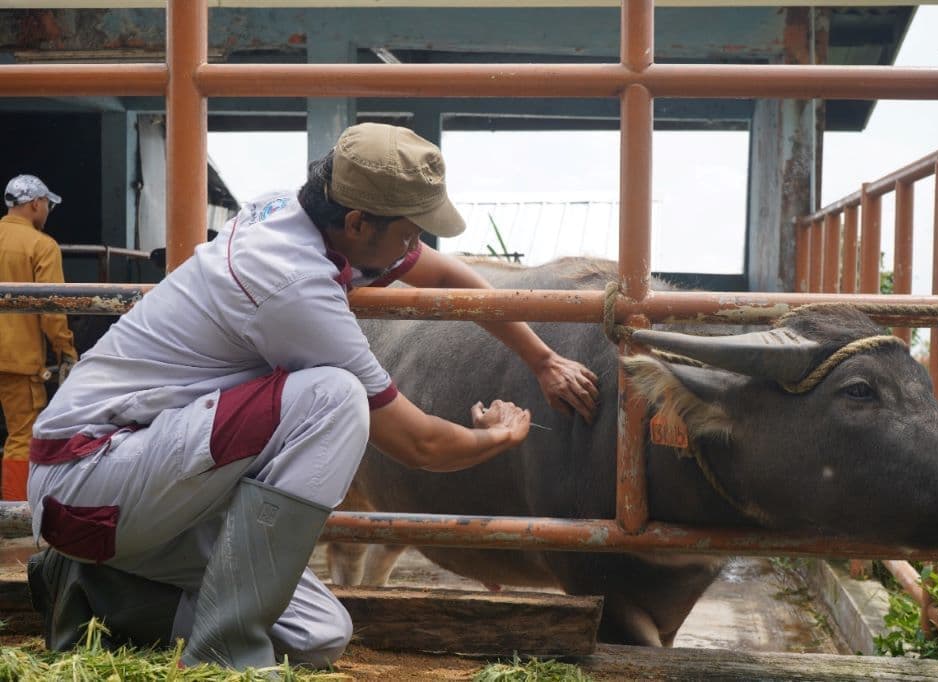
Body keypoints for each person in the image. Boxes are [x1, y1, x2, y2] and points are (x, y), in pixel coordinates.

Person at [26, 123, 599, 671]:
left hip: (148, 487)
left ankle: (83, 586)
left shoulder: (301, 213)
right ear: (357, 222)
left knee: (316, 634)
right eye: (408, 230)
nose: (416, 243)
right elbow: (419, 444)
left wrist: (542, 359)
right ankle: (223, 658)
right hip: (90, 473)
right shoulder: (292, 285)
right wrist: (498, 435)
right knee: (334, 396)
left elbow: (449, 275)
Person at [0, 174, 77, 501]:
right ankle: (15, 523)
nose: (46, 211)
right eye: (47, 204)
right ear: (35, 203)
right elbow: (52, 311)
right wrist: (67, 352)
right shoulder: (41, 246)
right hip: (18, 362)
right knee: (21, 436)